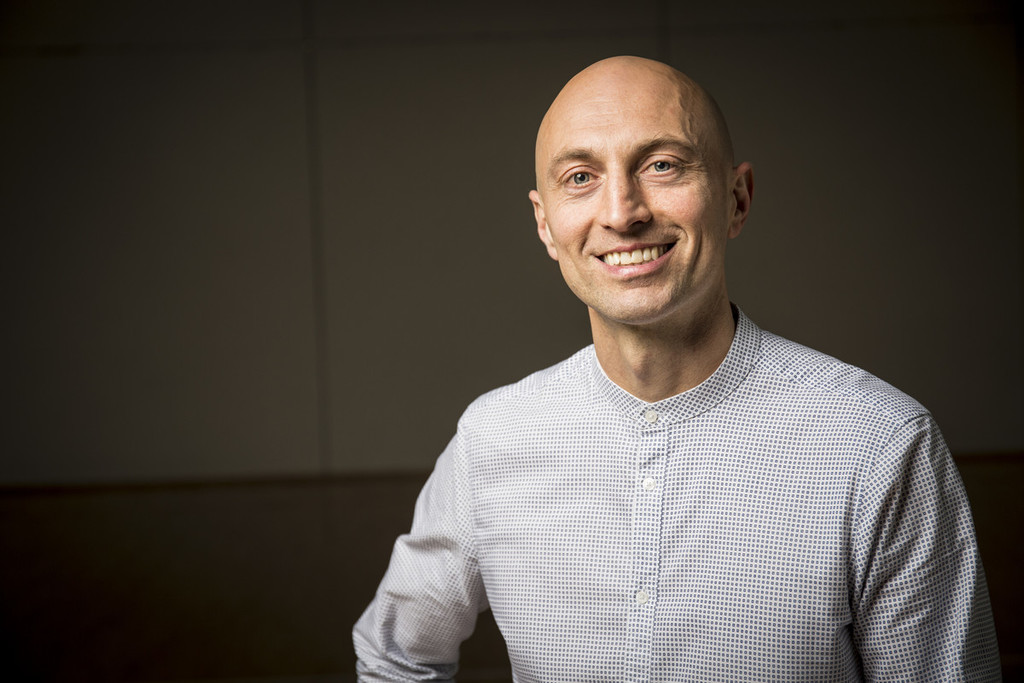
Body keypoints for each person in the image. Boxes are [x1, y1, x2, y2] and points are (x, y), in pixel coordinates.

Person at [353, 55, 1000, 681]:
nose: (622, 212)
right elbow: (395, 660)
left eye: (662, 165)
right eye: (580, 177)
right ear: (546, 226)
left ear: (737, 199)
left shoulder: (878, 445)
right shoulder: (492, 440)